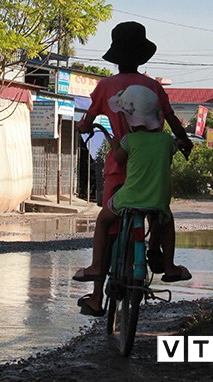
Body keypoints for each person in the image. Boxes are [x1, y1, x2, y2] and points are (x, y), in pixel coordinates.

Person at [73, 21, 193, 317]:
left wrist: (86, 127)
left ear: (115, 57)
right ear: (142, 57)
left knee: (109, 225)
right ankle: (158, 255)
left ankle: (97, 296)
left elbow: (87, 122)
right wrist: (183, 138)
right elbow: (172, 118)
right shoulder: (152, 87)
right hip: (152, 172)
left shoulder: (105, 87)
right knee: (161, 212)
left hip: (120, 169)